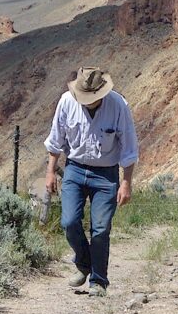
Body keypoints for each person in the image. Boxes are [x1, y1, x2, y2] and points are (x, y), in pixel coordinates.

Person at [44, 66, 139, 297]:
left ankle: (98, 281)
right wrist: (50, 172)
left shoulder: (118, 106)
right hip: (74, 169)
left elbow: (129, 146)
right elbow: (56, 139)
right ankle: (84, 263)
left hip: (105, 174)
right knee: (69, 222)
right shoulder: (66, 102)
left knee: (100, 229)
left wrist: (126, 182)